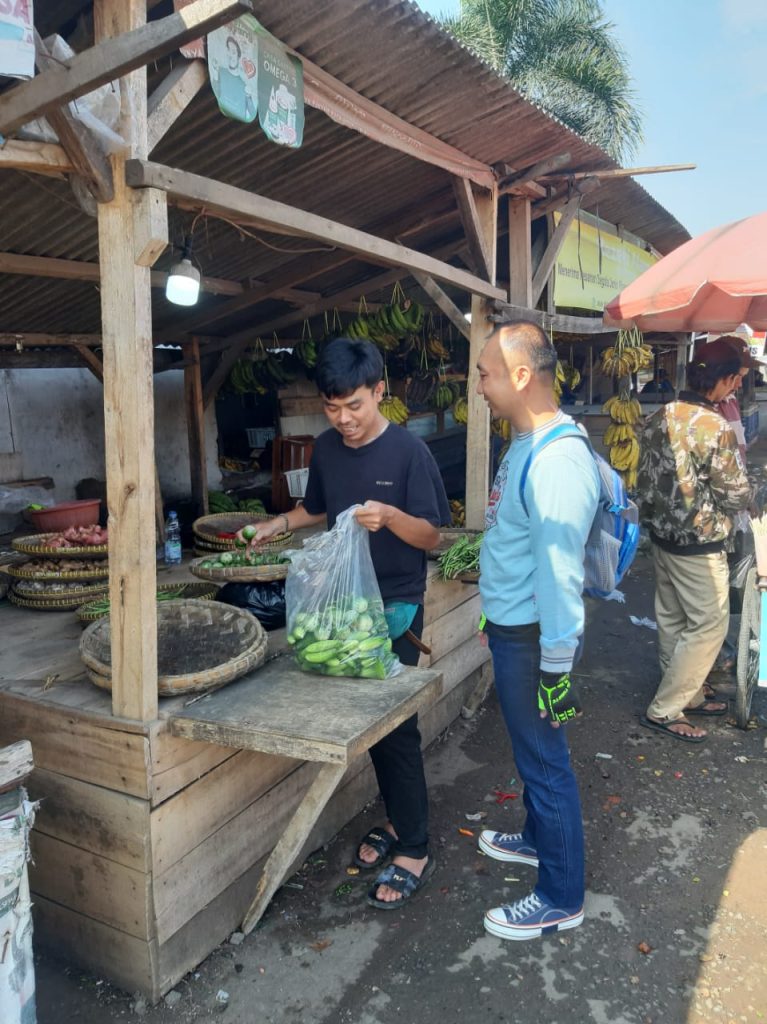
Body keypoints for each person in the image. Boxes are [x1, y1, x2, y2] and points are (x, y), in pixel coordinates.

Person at [239, 337, 450, 909]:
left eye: (354, 405)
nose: (344, 419)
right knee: (366, 727)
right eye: (332, 408)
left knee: (394, 727)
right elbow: (318, 509)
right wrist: (278, 524)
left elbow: (433, 535)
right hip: (340, 612)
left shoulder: (410, 453)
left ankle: (415, 846)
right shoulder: (326, 449)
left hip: (394, 609)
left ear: (380, 391)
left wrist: (393, 517)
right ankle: (399, 820)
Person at [474, 320, 600, 941]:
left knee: (547, 762)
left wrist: (556, 668)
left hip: (535, 645)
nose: (479, 388)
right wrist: (489, 615)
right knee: (531, 754)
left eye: (485, 374)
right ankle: (535, 840)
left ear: (521, 377)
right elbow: (512, 546)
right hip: (511, 631)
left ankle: (560, 894)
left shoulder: (556, 462)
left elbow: (558, 575)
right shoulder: (522, 443)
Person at [635, 339, 752, 742]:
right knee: (708, 625)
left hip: (662, 537)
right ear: (722, 379)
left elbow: (644, 479)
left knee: (673, 618)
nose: (736, 387)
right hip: (699, 543)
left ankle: (690, 694)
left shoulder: (659, 416)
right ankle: (666, 708)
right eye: (735, 379)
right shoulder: (714, 427)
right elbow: (735, 494)